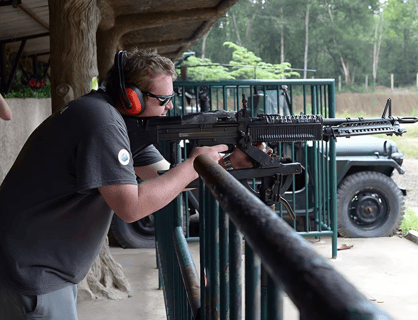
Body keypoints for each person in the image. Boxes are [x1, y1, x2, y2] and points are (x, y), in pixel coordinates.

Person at [0, 48, 260, 319]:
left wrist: (228, 164)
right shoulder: (104, 123)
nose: (170, 106)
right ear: (131, 98)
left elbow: (164, 179)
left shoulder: (113, 117)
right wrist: (192, 164)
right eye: (164, 99)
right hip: (31, 270)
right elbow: (131, 207)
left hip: (33, 262)